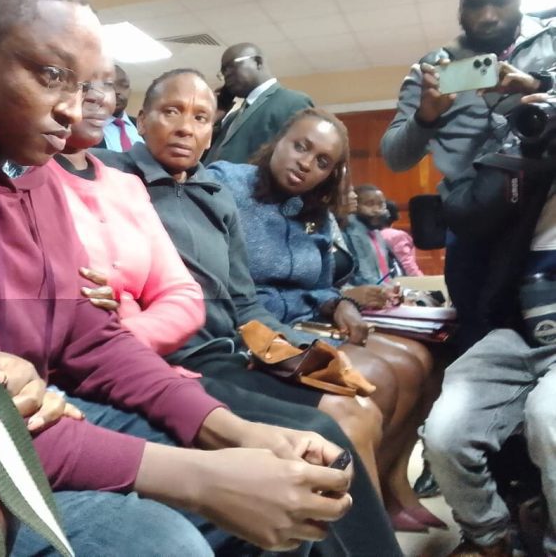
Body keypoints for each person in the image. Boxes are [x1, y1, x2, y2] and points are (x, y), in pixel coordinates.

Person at [0, 0, 354, 555]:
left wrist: (234, 431)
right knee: (166, 541)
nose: (74, 111)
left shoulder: (36, 175)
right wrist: (200, 480)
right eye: (53, 77)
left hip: (34, 414)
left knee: (285, 486)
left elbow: (90, 336)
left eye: (87, 89)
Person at [70, 67, 402, 556]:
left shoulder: (213, 194)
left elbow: (244, 301)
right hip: (162, 359)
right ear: (141, 119)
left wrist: (300, 350)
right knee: (317, 434)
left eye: (200, 118)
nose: (185, 128)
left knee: (343, 409)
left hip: (227, 352)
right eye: (171, 112)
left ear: (212, 132)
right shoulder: (111, 175)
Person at [208, 109, 441, 530]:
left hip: (306, 320)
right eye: (301, 146)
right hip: (255, 327)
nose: (305, 164)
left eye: (322, 162)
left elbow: (320, 286)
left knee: (417, 361)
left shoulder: (314, 210)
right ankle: (367, 511)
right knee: (380, 378)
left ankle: (391, 486)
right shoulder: (227, 182)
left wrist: (339, 304)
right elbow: (230, 285)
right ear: (278, 140)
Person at [380, 0, 556, 353]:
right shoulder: (432, 68)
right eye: (475, 3)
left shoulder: (551, 41)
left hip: (547, 221)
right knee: (479, 341)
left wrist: (537, 85)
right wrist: (426, 116)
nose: (489, 16)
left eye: (502, 0)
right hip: (474, 226)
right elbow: (394, 156)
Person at [423, 113, 556, 556]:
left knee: (549, 418)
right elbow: (464, 212)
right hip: (517, 329)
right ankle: (489, 537)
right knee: (445, 432)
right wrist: (529, 141)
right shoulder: (529, 162)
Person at [204, 42, 313, 165]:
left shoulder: (292, 102)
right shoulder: (231, 118)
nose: (226, 74)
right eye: (223, 71)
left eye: (230, 66)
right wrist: (213, 118)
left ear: (258, 62)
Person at [346, 185, 403, 286]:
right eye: (369, 204)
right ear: (356, 206)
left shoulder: (377, 233)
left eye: (381, 204)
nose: (377, 210)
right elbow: (363, 276)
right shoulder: (352, 233)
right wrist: (387, 290)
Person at [92, 63, 142, 152]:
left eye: (123, 85)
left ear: (130, 91)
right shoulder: (87, 127)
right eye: (109, 85)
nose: (117, 91)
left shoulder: (142, 127)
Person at [381, 200, 424, 277]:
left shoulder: (369, 234)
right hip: (398, 280)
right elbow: (407, 263)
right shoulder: (397, 236)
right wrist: (422, 280)